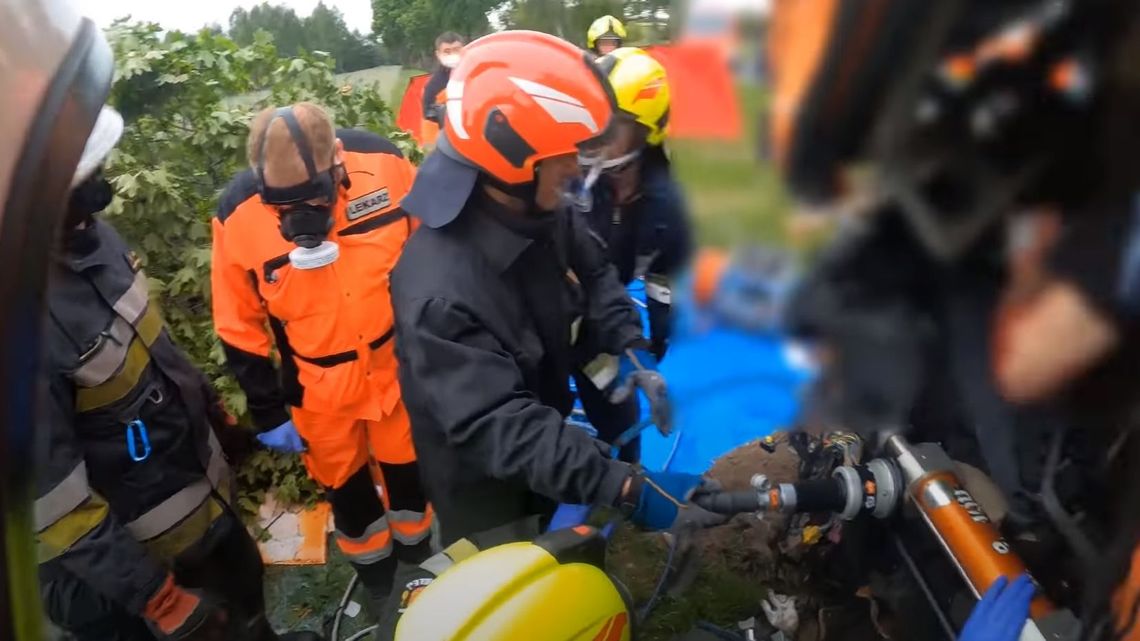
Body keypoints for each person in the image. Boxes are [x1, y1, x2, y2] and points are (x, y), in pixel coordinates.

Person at [390, 30, 722, 550]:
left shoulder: (540, 208)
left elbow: (595, 278)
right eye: (571, 153)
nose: (580, 167)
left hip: (542, 431)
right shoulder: (438, 290)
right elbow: (498, 424)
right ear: (510, 152)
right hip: (486, 490)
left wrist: (632, 351)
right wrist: (627, 486)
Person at [35, 105, 321, 641]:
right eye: (83, 178)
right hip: (135, 576)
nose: (99, 188)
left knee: (246, 599)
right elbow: (54, 506)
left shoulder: (93, 242)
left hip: (199, 507)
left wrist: (214, 414)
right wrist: (158, 600)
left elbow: (155, 349)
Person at [210, 102, 431, 633]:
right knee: (351, 497)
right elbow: (237, 323)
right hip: (319, 390)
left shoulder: (384, 162)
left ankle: (420, 569)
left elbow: (432, 248)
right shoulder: (238, 213)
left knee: (410, 483)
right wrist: (267, 410)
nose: (300, 219)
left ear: (337, 160)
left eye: (313, 200)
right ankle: (380, 586)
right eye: (282, 207)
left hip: (396, 368)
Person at [570, 47, 692, 462]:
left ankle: (625, 483)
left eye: (609, 128)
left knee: (618, 416)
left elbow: (661, 281)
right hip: (542, 325)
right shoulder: (566, 182)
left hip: (603, 324)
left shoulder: (666, 209)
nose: (592, 139)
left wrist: (650, 353)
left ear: (646, 132)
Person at [421, 31, 464, 127]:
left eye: (456, 50)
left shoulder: (476, 75)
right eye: (447, 51)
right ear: (438, 54)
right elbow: (428, 116)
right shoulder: (433, 85)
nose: (452, 54)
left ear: (464, 50)